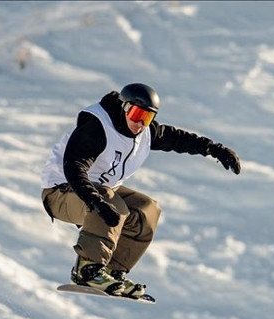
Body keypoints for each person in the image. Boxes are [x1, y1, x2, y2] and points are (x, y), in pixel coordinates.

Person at [40, 83, 241, 298]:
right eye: (136, 114)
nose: (139, 124)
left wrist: (213, 148)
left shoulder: (145, 133)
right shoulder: (98, 127)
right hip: (60, 192)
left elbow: (178, 139)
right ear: (125, 107)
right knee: (109, 201)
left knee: (147, 209)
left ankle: (111, 271)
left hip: (99, 193)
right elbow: (74, 167)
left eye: (147, 118)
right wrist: (95, 201)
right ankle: (88, 269)